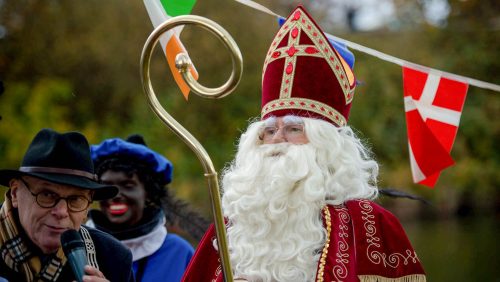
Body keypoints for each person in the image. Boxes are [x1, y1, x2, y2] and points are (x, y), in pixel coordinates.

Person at [182, 5, 426, 282]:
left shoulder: (371, 223)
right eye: (269, 130)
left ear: (328, 145)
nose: (277, 140)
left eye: (294, 129)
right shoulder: (234, 223)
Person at [0, 128, 134, 282]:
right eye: (47, 195)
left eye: (76, 199)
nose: (62, 211)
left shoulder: (113, 259)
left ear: (88, 205)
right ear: (15, 193)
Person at [87, 134, 209, 282]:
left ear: (148, 193)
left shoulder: (178, 253)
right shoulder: (78, 247)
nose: (116, 194)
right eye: (107, 185)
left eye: (128, 185)